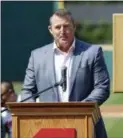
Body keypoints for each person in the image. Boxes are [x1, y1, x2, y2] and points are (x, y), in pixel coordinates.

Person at [20, 9, 110, 138]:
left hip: (85, 125)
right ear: (51, 30)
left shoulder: (92, 52)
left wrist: (81, 110)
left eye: (66, 26)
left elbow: (102, 87)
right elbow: (28, 91)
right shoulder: (37, 56)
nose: (62, 31)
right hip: (47, 127)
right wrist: (32, 111)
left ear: (74, 27)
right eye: (58, 27)